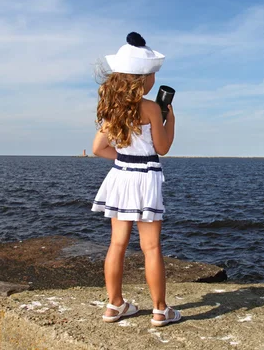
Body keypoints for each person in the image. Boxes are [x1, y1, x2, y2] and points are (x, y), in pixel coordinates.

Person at [91, 32, 180, 327]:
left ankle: (114, 305)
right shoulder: (152, 108)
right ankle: (160, 310)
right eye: (152, 74)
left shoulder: (113, 109)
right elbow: (163, 148)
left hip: (121, 176)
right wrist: (170, 121)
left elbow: (98, 149)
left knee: (117, 244)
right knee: (151, 247)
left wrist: (123, 160)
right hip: (146, 178)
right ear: (142, 79)